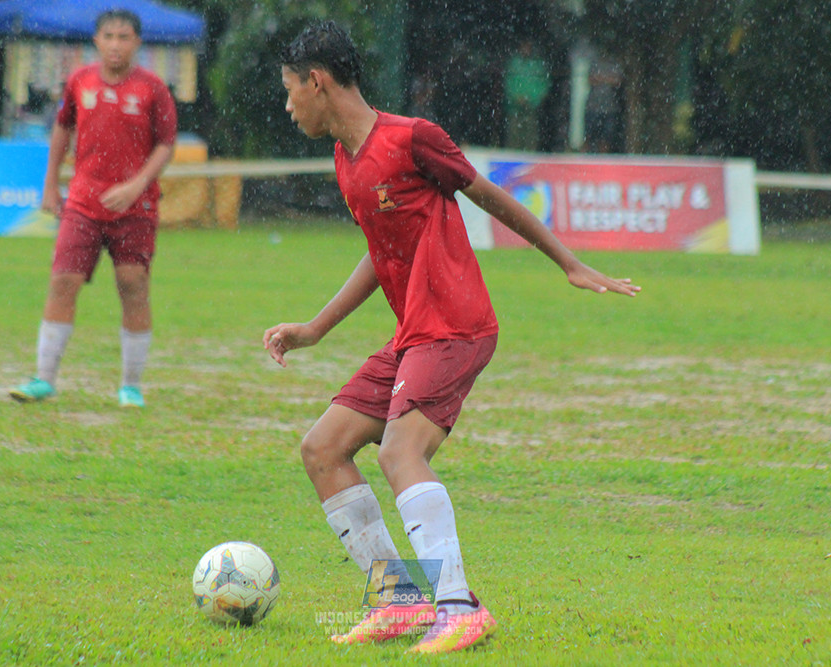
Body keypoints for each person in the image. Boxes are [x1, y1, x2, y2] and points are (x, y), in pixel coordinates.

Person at [266, 21, 640, 654]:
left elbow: (492, 198)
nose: (287, 104)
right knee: (323, 449)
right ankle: (400, 600)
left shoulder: (412, 138)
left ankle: (460, 607)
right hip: (414, 333)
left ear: (317, 81)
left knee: (398, 453)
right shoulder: (345, 158)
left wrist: (569, 262)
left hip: (456, 324)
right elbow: (379, 250)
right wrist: (315, 329)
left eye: (289, 90)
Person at [9, 9, 177, 408]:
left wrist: (136, 184)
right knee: (62, 282)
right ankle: (43, 379)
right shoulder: (79, 80)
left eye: (124, 36)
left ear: (137, 43)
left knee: (133, 285)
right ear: (96, 41)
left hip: (135, 207)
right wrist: (51, 185)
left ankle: (130, 386)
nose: (116, 44)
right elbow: (62, 128)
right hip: (82, 203)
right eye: (109, 36)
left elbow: (166, 143)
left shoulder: (153, 89)